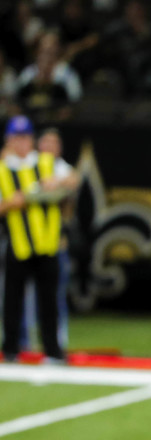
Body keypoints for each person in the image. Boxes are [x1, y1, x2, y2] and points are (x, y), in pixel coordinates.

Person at [1, 115, 75, 363]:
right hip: (19, 243)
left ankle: (52, 350)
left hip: (47, 243)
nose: (21, 143)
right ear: (9, 140)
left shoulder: (46, 162)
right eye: (17, 138)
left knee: (49, 301)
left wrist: (57, 182)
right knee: (12, 300)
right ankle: (11, 348)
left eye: (25, 137)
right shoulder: (2, 168)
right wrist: (14, 202)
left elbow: (73, 179)